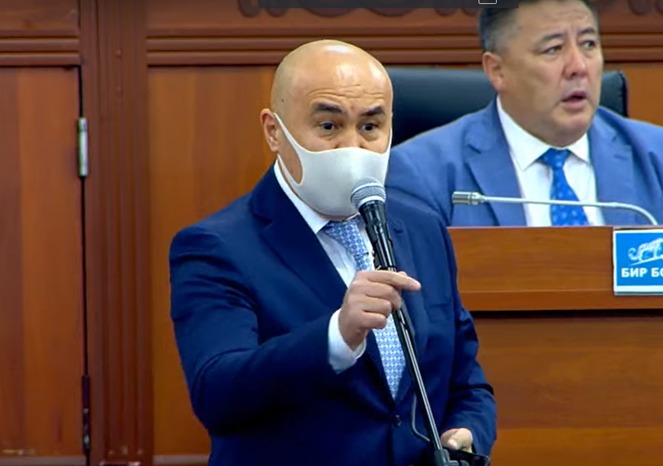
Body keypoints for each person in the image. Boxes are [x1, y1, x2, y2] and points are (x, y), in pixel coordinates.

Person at [169, 39, 496, 466]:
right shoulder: (217, 246)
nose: (352, 147)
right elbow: (217, 394)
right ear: (274, 131)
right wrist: (337, 336)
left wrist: (468, 432)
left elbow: (466, 380)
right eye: (328, 126)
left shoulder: (421, 228)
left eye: (370, 127)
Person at [386, 0, 663, 227]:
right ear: (497, 70)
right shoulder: (424, 174)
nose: (579, 67)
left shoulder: (656, 156)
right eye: (553, 49)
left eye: (589, 44)